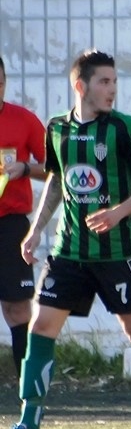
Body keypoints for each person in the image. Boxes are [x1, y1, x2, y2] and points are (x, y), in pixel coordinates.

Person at [0, 50, 131, 429]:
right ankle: (30, 424)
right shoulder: (57, 128)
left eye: (114, 82)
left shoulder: (124, 128)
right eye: (104, 82)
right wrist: (36, 230)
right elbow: (56, 181)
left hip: (116, 254)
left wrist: (117, 213)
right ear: (81, 85)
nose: (112, 89)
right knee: (41, 327)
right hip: (68, 251)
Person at [0, 57, 47, 379]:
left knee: (17, 308)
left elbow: (57, 168)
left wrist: (25, 169)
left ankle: (28, 392)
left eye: (0, 82)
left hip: (11, 224)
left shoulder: (24, 120)